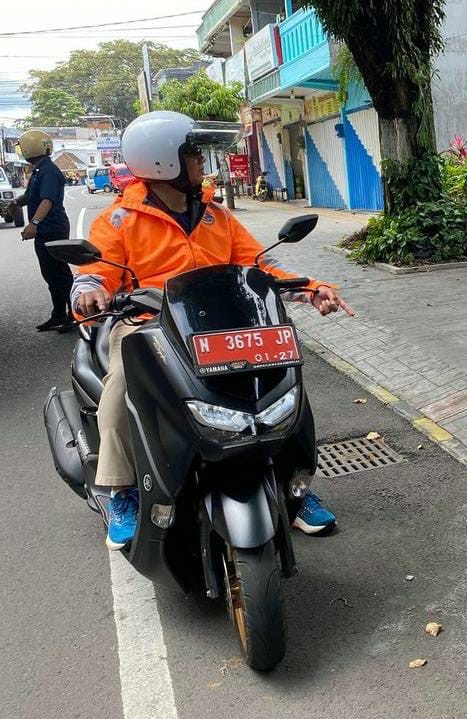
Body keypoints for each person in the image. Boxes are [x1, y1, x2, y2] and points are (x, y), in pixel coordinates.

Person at [71, 111, 353, 549]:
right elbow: (93, 273)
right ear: (163, 161)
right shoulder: (119, 221)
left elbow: (259, 265)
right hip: (150, 328)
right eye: (192, 154)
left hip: (222, 327)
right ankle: (121, 491)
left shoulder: (214, 216)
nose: (202, 162)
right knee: (122, 386)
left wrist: (312, 289)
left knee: (282, 384)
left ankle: (291, 483)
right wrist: (89, 293)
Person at [15, 129, 74, 332]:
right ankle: (58, 314)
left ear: (28, 149)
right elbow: (30, 195)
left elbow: (47, 200)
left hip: (52, 229)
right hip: (47, 230)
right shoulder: (40, 170)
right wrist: (15, 202)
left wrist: (34, 224)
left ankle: (74, 315)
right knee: (50, 274)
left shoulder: (48, 171)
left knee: (59, 273)